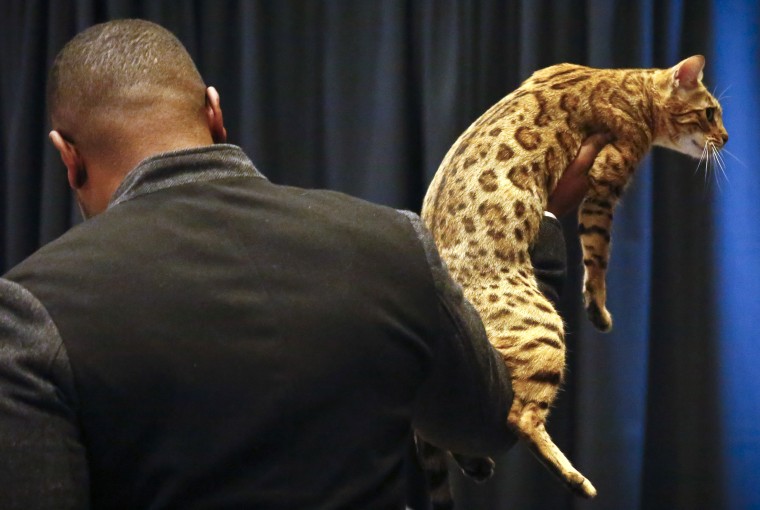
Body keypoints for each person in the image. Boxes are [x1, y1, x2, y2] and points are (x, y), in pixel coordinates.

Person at [0, 19, 609, 510]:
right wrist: (539, 228)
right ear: (215, 114)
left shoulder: (29, 310)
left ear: (68, 157)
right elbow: (490, 421)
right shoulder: (392, 243)